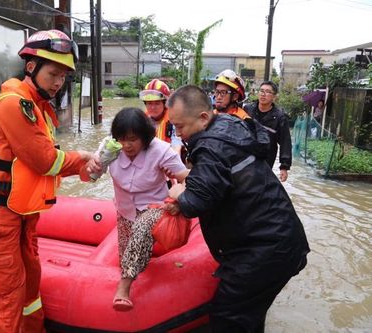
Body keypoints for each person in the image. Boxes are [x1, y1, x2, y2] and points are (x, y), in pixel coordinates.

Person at [0, 29, 96, 333]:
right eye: (53, 73)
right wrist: (84, 159)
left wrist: (80, 164)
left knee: (30, 281)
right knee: (8, 294)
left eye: (63, 76)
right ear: (30, 67)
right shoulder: (14, 104)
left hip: (22, 210)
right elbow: (46, 160)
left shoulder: (37, 106)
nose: (58, 82)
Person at [166, 85, 309, 333]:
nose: (178, 134)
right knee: (248, 316)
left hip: (263, 251)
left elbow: (195, 203)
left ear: (202, 118)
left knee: (227, 317)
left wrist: (179, 193)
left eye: (180, 127)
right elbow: (222, 174)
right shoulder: (228, 128)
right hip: (280, 242)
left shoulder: (210, 145)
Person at [104, 107, 188, 311]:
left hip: (155, 206)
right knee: (126, 254)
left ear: (144, 137)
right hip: (125, 209)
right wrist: (90, 167)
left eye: (132, 139)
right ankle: (137, 274)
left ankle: (124, 288)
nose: (126, 145)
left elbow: (188, 178)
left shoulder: (161, 151)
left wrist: (178, 193)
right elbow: (93, 171)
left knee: (142, 229)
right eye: (122, 139)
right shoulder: (111, 147)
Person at [244, 81, 292, 182]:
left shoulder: (279, 117)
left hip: (266, 158)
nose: (263, 94)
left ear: (274, 96)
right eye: (261, 91)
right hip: (246, 154)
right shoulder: (248, 109)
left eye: (267, 92)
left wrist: (284, 167)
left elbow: (285, 142)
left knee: (259, 184)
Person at [139, 79, 182, 151]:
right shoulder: (140, 121)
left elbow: (176, 148)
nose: (153, 107)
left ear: (165, 103)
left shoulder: (174, 122)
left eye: (157, 103)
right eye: (149, 103)